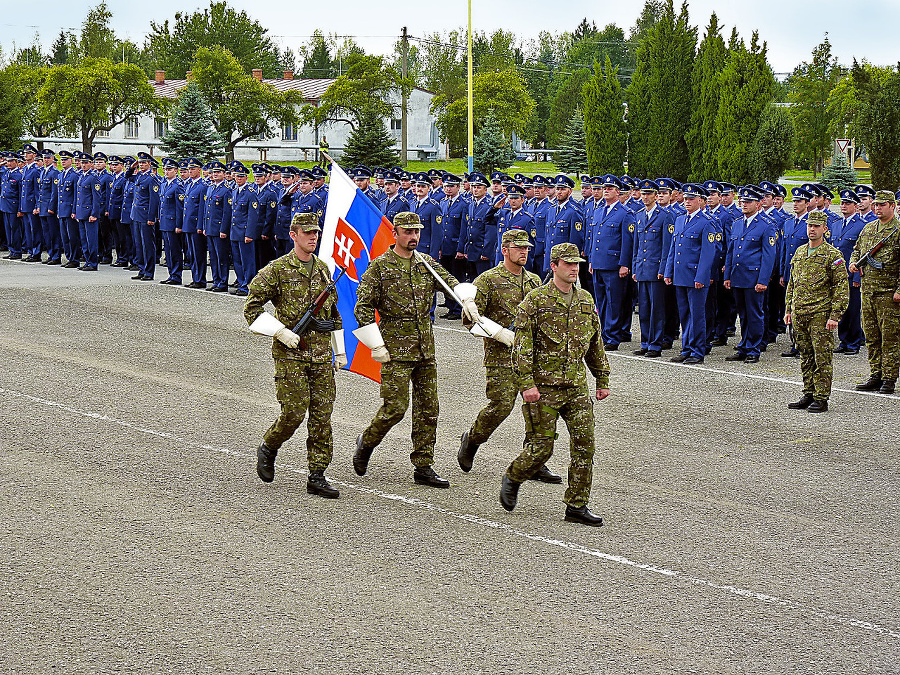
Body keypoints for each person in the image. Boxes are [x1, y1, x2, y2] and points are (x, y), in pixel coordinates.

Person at [500, 242, 610, 527]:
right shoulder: (535, 302)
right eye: (568, 264)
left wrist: (602, 378)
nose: (574, 269)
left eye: (577, 265)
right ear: (554, 266)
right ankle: (514, 475)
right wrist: (526, 384)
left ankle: (576, 504)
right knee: (541, 448)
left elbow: (594, 343)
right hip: (543, 389)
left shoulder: (585, 301)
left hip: (576, 388)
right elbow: (521, 348)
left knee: (585, 447)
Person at [353, 211, 460, 488]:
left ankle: (423, 465)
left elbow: (453, 285)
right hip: (395, 349)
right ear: (395, 233)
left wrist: (467, 300)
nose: (413, 237)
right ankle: (367, 441)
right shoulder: (380, 267)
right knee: (395, 408)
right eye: (408, 232)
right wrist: (375, 343)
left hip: (425, 348)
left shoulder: (427, 264)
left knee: (428, 409)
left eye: (417, 232)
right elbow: (362, 307)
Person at [245, 213, 345, 499]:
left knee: (322, 416)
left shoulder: (325, 270)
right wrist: (280, 332)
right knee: (293, 414)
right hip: (291, 354)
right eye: (308, 233)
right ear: (294, 235)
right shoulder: (277, 270)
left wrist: (339, 350)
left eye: (316, 233)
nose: (313, 237)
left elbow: (333, 315)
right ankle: (269, 445)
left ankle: (317, 474)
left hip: (322, 354)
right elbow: (251, 309)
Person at [457, 229, 560, 483]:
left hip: (532, 357)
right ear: (505, 250)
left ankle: (534, 461)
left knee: (540, 409)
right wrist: (501, 334)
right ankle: (472, 439)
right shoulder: (488, 280)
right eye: (519, 248)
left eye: (527, 248)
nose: (524, 252)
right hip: (500, 356)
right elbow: (470, 319)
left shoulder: (536, 281)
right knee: (501, 406)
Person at [783, 210, 849, 412]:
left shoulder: (832, 255)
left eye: (816, 226)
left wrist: (835, 315)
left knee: (822, 356)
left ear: (825, 229)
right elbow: (792, 284)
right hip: (800, 313)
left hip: (821, 314)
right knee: (806, 355)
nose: (812, 229)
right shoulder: (800, 252)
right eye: (810, 226)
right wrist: (788, 309)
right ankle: (808, 392)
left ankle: (821, 397)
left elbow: (841, 287)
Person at [849, 190, 900, 394]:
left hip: (889, 294)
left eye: (882, 205)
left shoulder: (897, 230)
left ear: (892, 206)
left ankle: (889, 378)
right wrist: (853, 262)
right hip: (868, 291)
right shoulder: (869, 228)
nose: (877, 208)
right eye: (876, 205)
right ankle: (875, 374)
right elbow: (857, 249)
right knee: (872, 336)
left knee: (890, 337)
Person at [664, 184, 717, 364]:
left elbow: (708, 253)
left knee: (697, 315)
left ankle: (697, 351)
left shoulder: (707, 222)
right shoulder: (680, 220)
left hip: (695, 276)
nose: (687, 202)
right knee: (684, 314)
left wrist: (701, 277)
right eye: (685, 199)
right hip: (681, 275)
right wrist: (668, 271)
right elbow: (674, 248)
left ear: (700, 201)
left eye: (691, 199)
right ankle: (687, 348)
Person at [723, 186, 777, 364]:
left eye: (748, 202)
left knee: (755, 314)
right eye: (742, 201)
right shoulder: (738, 223)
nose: (744, 204)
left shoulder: (766, 225)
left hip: (753, 279)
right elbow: (731, 252)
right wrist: (728, 275)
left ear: (759, 203)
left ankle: (754, 347)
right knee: (743, 313)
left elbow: (769, 256)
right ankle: (744, 345)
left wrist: (763, 280)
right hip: (738, 276)